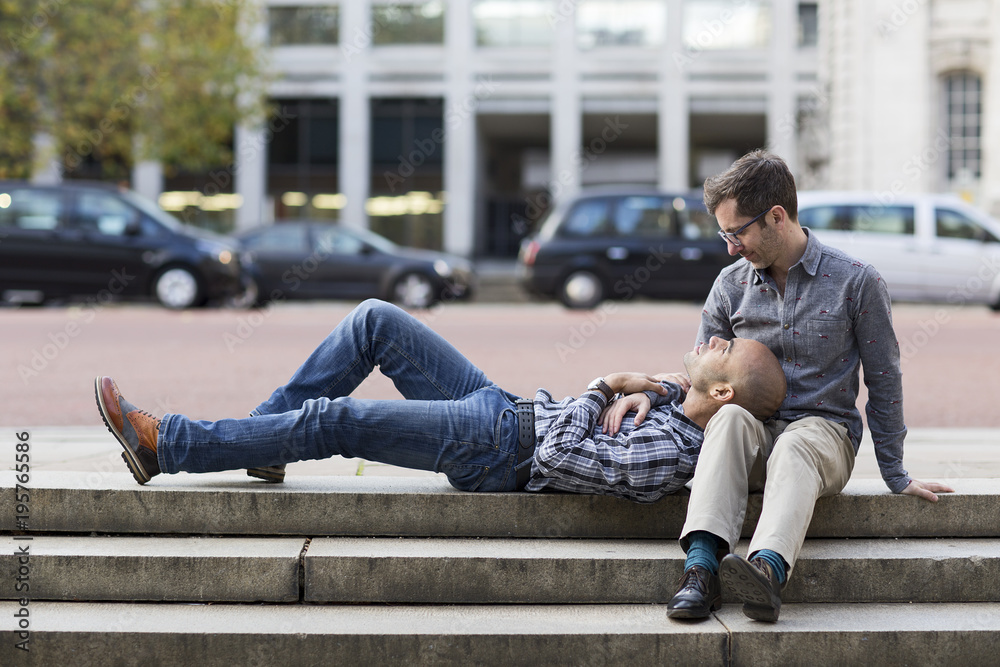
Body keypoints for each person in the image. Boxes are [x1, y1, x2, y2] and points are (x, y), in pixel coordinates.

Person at [95, 298, 786, 504]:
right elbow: (674, 388)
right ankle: (262, 441)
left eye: (722, 348)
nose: (714, 337)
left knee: (332, 420)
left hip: (497, 448)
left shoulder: (669, 453)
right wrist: (654, 383)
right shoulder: (678, 402)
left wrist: (607, 383)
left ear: (721, 390)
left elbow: (560, 450)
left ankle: (169, 445)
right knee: (375, 321)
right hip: (501, 409)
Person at [665, 150, 954, 623]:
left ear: (776, 217)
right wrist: (647, 389)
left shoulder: (857, 282)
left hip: (825, 440)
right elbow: (704, 380)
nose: (731, 247)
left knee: (799, 441)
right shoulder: (728, 285)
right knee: (732, 417)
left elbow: (884, 379)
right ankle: (700, 571)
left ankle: (767, 572)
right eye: (725, 234)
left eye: (737, 233)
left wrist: (895, 473)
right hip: (752, 441)